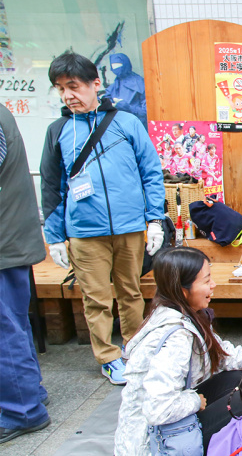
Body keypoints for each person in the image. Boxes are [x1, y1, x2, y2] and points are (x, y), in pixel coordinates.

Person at [39, 51, 165, 385]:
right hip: (84, 231)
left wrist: (154, 219)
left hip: (129, 227)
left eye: (74, 86)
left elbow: (151, 172)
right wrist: (54, 236)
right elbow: (52, 186)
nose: (68, 95)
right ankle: (108, 357)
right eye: (61, 88)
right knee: (95, 299)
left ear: (96, 83)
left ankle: (135, 347)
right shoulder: (58, 131)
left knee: (131, 293)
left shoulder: (126, 123)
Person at [114, 247, 242, 456]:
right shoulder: (177, 338)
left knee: (236, 379)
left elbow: (228, 356)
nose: (213, 285)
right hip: (153, 442)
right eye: (206, 281)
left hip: (170, 417)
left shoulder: (182, 314)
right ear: (182, 290)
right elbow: (158, 408)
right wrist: (195, 401)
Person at [0, 105, 51, 443]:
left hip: (5, 243)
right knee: (12, 326)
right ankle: (27, 393)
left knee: (5, 331)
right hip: (10, 240)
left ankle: (22, 409)